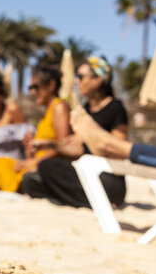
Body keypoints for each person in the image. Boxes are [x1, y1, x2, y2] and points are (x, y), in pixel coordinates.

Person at [22, 56, 129, 208]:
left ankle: (98, 201)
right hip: (84, 173)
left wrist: (90, 137)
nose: (76, 81)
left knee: (47, 166)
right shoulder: (84, 111)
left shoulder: (115, 108)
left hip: (108, 178)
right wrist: (50, 145)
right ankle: (89, 202)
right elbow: (75, 149)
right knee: (31, 181)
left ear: (97, 79)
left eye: (80, 76)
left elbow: (120, 150)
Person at [0, 66, 71, 192]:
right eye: (30, 88)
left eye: (35, 87)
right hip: (39, 163)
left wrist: (34, 162)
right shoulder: (46, 114)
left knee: (8, 169)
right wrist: (30, 150)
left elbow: (64, 148)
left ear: (51, 85)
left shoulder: (59, 107)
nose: (32, 92)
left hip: (49, 166)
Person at [71, 106, 156, 167]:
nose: (77, 81)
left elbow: (117, 159)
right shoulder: (86, 106)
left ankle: (107, 143)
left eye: (81, 78)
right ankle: (107, 143)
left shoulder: (115, 108)